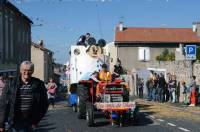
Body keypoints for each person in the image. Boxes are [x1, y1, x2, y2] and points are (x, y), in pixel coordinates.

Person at [0, 61, 48, 132]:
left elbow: (44, 104)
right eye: (24, 70)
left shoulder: (39, 84)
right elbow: (3, 104)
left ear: (32, 71)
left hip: (30, 120)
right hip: (14, 120)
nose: (26, 72)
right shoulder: (11, 83)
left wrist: (36, 121)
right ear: (20, 70)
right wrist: (1, 123)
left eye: (29, 70)